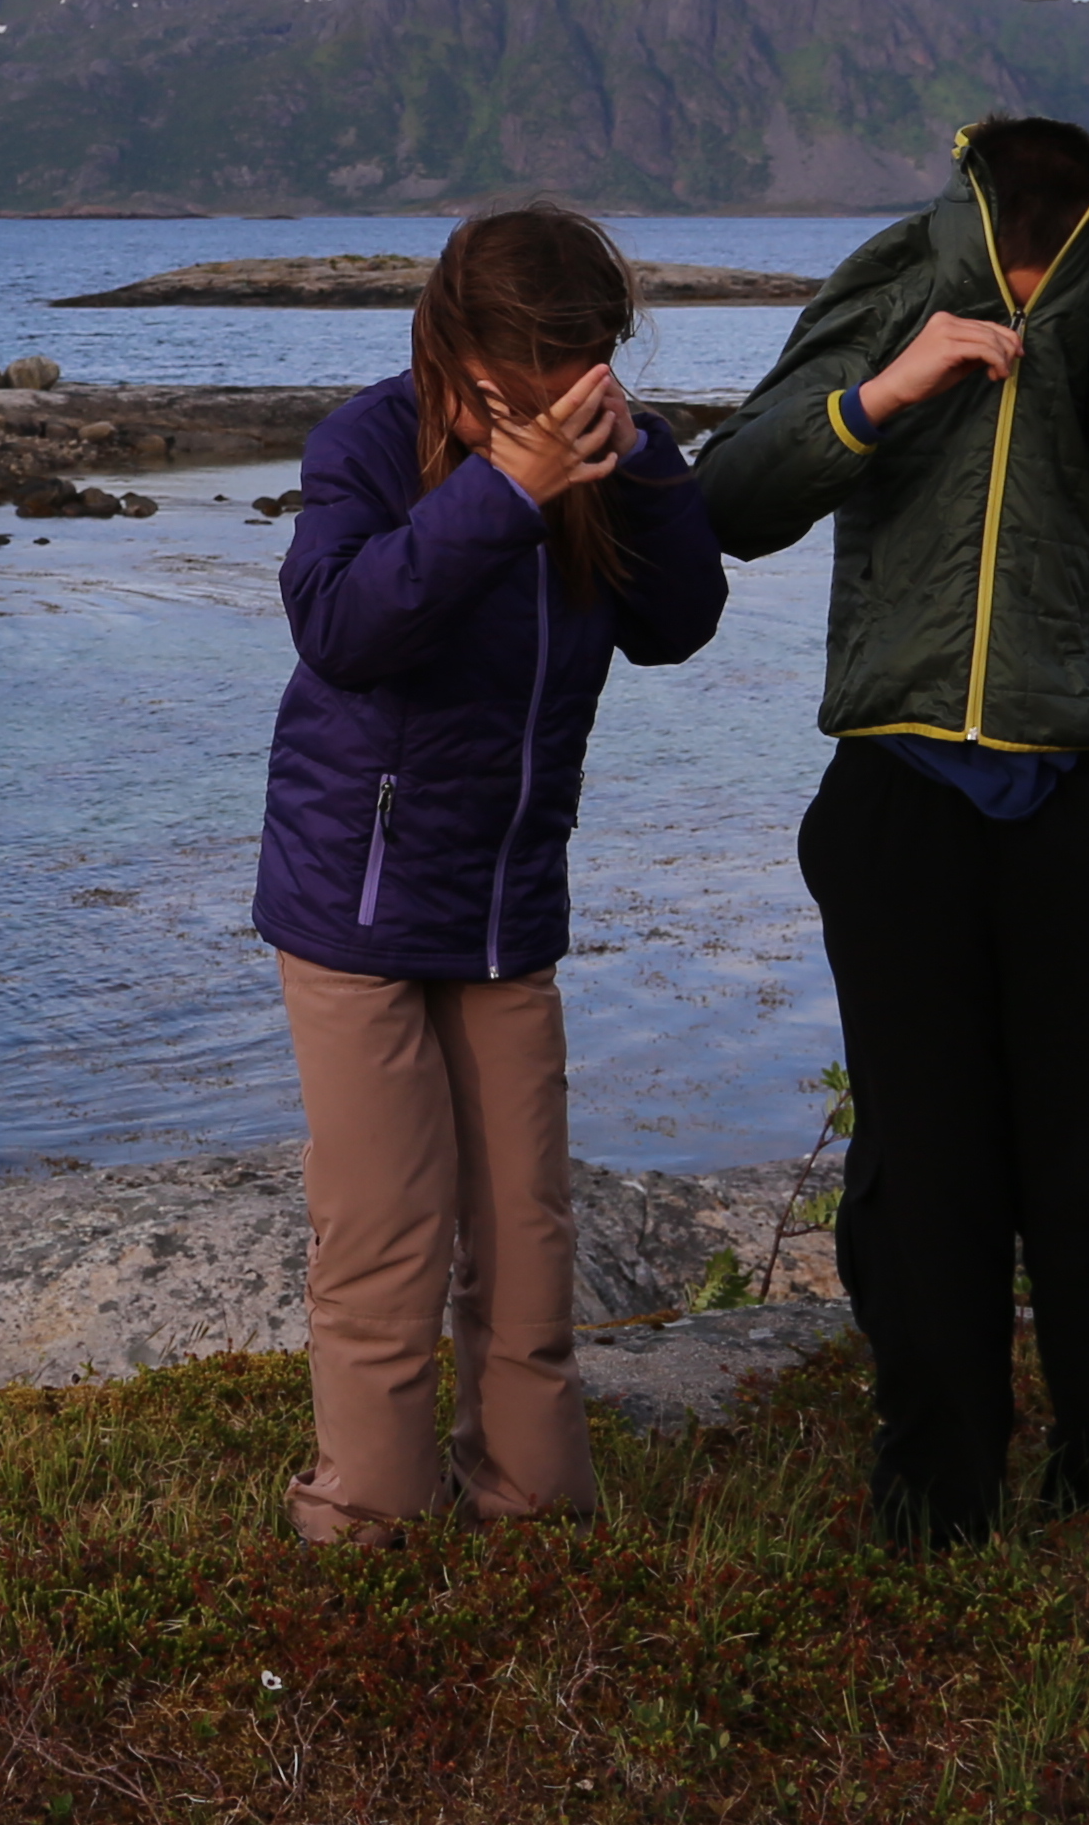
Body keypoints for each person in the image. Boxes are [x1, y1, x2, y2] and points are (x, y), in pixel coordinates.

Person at [701, 115, 1089, 1545]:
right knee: (921, 1169)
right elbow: (728, 498)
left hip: (1080, 792)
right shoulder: (892, 279)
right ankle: (937, 1494)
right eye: (1036, 230)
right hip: (899, 795)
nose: (1029, 255)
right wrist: (889, 390)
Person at [251, 200, 732, 1547]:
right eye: (525, 381)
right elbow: (342, 628)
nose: (553, 402)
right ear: (458, 347)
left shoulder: (609, 452)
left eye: (581, 373)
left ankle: (532, 1508)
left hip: (508, 903)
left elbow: (679, 624)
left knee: (527, 1234)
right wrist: (500, 493)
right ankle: (367, 1518)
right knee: (387, 1234)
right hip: (355, 906)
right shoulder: (364, 443)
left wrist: (633, 461)